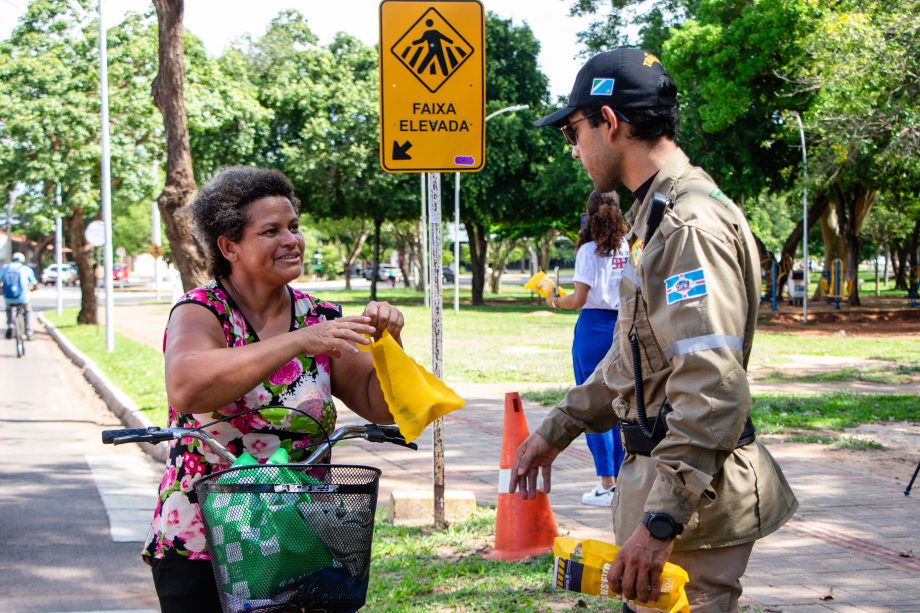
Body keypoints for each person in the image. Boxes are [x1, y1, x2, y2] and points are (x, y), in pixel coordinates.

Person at [510, 48, 798, 612]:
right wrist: (560, 426)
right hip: (669, 485)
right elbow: (635, 357)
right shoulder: (660, 215)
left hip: (692, 501)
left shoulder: (687, 226)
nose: (573, 150)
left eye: (574, 130)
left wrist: (661, 521)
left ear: (609, 122)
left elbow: (710, 382)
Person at [142, 166, 406, 612]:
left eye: (294, 227)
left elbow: (380, 406)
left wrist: (389, 346)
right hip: (206, 536)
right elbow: (187, 387)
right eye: (271, 230)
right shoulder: (201, 311)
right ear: (230, 247)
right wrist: (297, 342)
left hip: (302, 533)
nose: (291, 240)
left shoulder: (320, 316)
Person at [548, 190, 629, 507]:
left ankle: (606, 483)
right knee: (625, 403)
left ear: (589, 213)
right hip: (624, 326)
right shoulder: (628, 246)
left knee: (592, 405)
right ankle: (625, 480)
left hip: (593, 327)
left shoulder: (588, 251)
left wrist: (555, 300)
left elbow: (579, 299)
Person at [2, 252, 38, 340]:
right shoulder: (26, 269)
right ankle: (29, 332)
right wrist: (32, 289)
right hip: (23, 297)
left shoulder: (6, 268)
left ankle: (10, 324)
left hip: (8, 297)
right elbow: (35, 284)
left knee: (8, 308)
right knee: (28, 311)